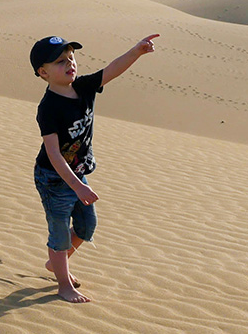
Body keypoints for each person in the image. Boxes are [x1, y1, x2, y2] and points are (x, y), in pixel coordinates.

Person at [30, 33, 159, 302]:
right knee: (59, 234)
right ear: (43, 73)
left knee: (87, 225)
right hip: (54, 178)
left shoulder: (85, 87)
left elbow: (112, 69)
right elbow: (53, 154)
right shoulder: (48, 108)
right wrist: (77, 187)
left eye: (71, 57)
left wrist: (136, 51)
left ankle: (57, 264)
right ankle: (63, 284)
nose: (70, 63)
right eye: (60, 62)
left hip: (76, 174)